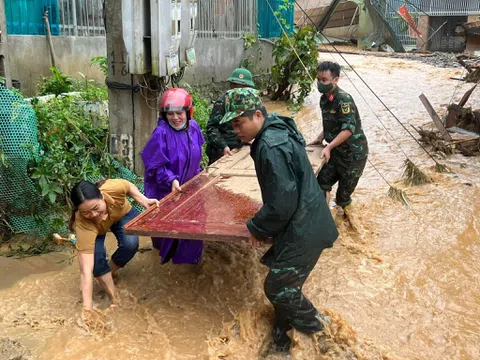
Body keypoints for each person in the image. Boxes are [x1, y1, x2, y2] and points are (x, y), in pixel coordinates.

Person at [219, 88, 339, 352]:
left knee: (276, 287)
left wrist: (256, 227)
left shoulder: (270, 146)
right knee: (284, 281)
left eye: (239, 123)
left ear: (258, 116)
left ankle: (325, 335)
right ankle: (282, 335)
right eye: (232, 124)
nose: (235, 130)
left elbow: (282, 202)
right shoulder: (276, 130)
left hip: (304, 227)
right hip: (306, 219)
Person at [70, 179, 159, 311]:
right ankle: (114, 296)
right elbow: (85, 271)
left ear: (101, 196)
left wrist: (143, 199)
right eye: (86, 212)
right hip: (96, 230)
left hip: (122, 214)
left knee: (130, 244)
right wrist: (87, 308)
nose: (93, 214)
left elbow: (128, 186)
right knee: (97, 262)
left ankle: (109, 272)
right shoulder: (83, 222)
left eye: (96, 208)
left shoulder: (112, 189)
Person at [141, 88, 205, 264]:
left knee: (193, 225)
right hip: (164, 188)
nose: (175, 118)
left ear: (188, 112)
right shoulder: (160, 134)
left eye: (179, 113)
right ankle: (164, 258)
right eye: (170, 114)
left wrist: (198, 175)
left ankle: (190, 264)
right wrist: (171, 179)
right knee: (166, 229)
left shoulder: (194, 127)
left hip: (189, 186)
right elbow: (154, 165)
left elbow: (196, 155)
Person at [310, 61, 368, 210]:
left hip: (352, 156)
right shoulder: (324, 99)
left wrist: (329, 146)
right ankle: (323, 218)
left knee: (343, 197)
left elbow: (348, 129)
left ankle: (347, 221)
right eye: (318, 79)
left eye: (324, 80)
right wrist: (319, 138)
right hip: (336, 152)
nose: (320, 83)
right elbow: (331, 123)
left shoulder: (344, 100)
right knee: (321, 184)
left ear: (336, 80)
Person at [206, 68, 255, 164]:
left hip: (239, 148)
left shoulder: (248, 102)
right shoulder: (223, 103)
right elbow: (211, 128)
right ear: (231, 86)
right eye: (236, 87)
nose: (239, 91)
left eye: (243, 88)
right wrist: (223, 146)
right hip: (221, 152)